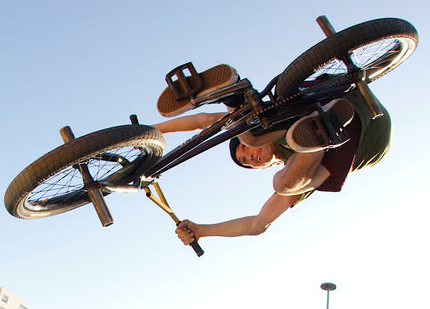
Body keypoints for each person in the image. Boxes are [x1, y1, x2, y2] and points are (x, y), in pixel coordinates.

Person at [155, 85, 391, 245]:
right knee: (282, 183)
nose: (250, 157)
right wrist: (202, 230)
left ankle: (233, 94)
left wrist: (152, 131)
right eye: (247, 162)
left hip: (340, 97)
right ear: (263, 166)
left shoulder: (265, 129)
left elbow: (203, 121)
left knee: (247, 126)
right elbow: (258, 223)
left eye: (245, 151)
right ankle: (320, 133)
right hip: (362, 136)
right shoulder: (294, 168)